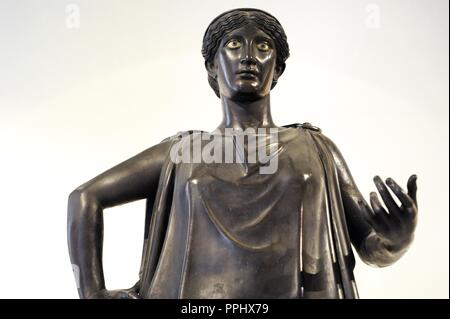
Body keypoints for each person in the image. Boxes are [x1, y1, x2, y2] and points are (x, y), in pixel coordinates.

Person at [67, 8, 418, 299]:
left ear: (277, 69)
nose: (249, 56)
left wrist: (397, 240)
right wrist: (92, 292)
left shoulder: (315, 148)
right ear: (212, 66)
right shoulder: (183, 151)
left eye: (263, 46)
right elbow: (85, 198)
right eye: (234, 44)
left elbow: (371, 247)